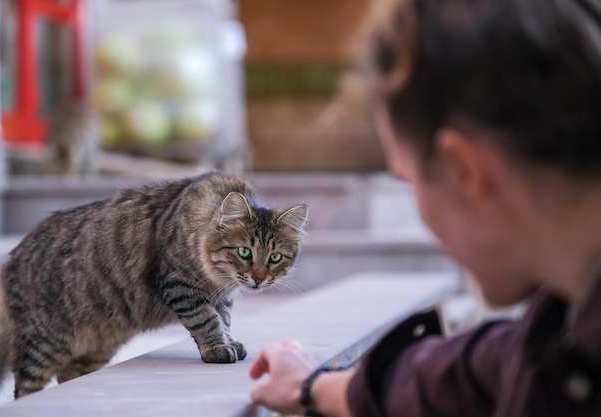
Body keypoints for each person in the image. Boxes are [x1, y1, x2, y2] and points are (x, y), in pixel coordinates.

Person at [248, 0, 601, 415]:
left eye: (409, 181)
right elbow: (483, 370)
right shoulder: (564, 326)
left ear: (464, 171)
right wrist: (314, 387)